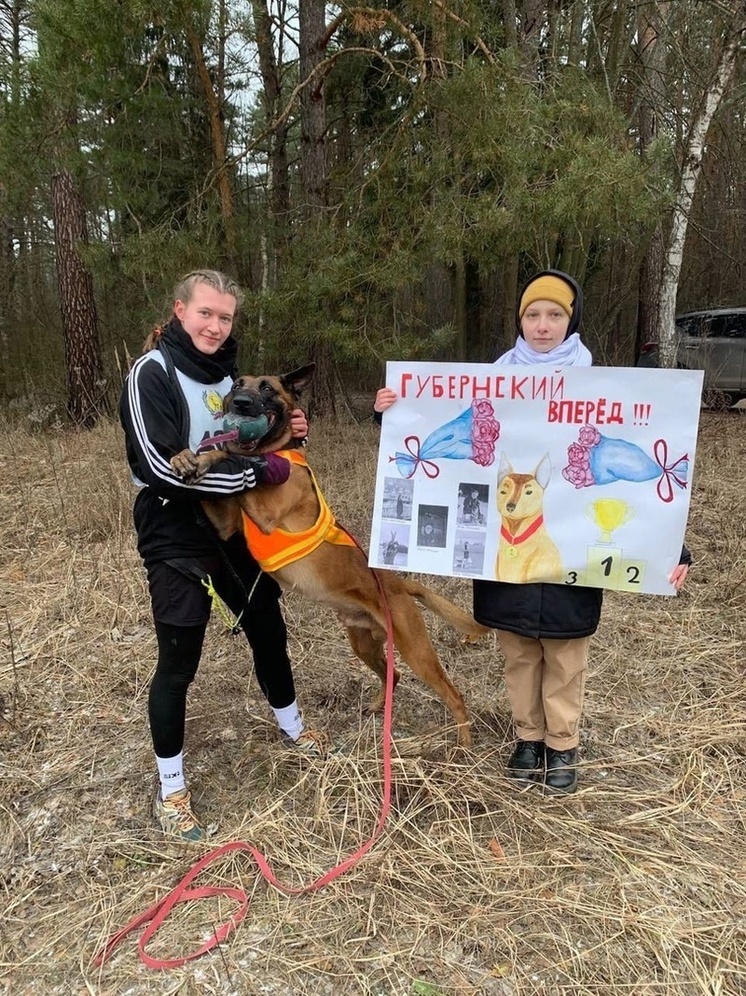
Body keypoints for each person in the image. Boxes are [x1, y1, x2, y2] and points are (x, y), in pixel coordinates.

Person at [374, 269, 691, 794]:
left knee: (565, 655)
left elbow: (634, 476)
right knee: (518, 650)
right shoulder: (491, 383)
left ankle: (562, 745)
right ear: (520, 321)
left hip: (568, 558)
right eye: (532, 315)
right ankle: (527, 736)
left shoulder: (611, 388)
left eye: (555, 315)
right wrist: (396, 414)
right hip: (506, 556)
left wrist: (668, 547)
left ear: (571, 322)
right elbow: (443, 448)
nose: (543, 326)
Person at [120, 269, 326, 842]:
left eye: (225, 317)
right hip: (172, 525)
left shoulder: (233, 377)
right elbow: (156, 466)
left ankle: (294, 729)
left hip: (232, 521)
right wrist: (258, 470)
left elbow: (252, 435)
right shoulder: (151, 372)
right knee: (180, 656)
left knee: (267, 623)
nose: (215, 325)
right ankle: (172, 789)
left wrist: (291, 432)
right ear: (180, 310)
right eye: (205, 313)